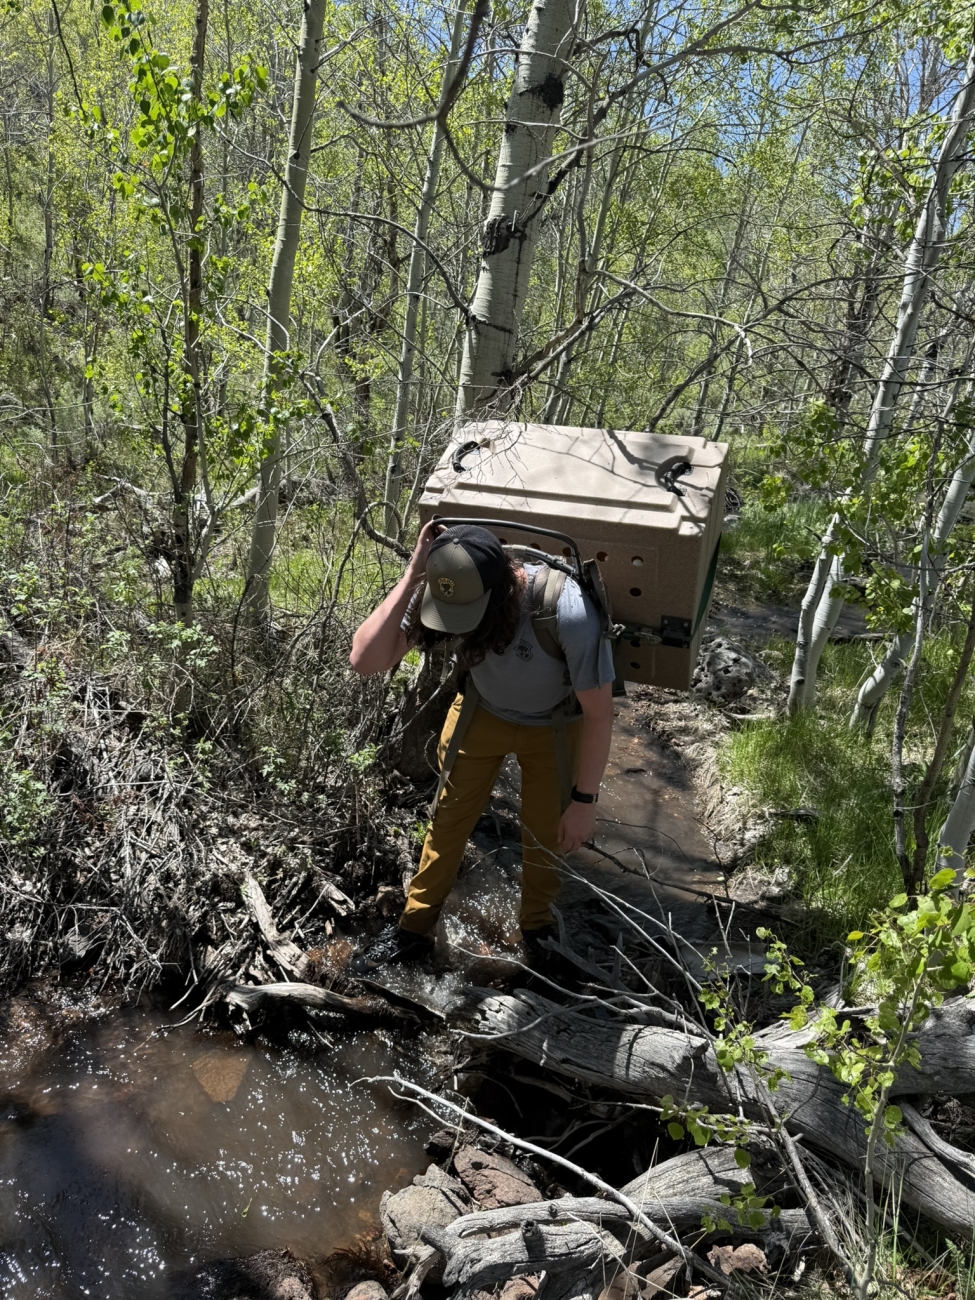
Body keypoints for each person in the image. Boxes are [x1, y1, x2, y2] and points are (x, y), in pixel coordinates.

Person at [348, 520, 616, 972]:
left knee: (545, 836)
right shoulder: (449, 588)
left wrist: (584, 802)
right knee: (447, 824)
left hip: (554, 728)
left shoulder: (567, 610)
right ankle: (413, 930)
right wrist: (414, 573)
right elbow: (364, 659)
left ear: (503, 589)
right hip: (480, 713)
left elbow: (599, 713)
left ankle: (537, 932)